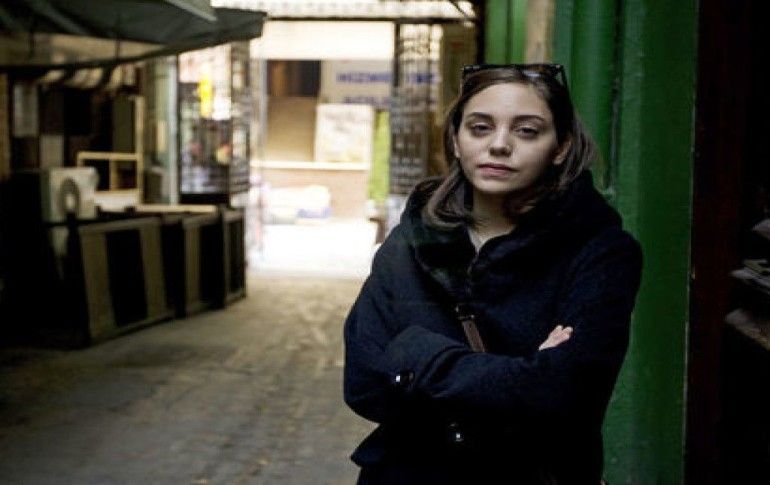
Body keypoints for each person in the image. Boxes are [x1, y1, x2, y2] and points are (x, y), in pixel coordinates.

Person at [343, 63, 643, 484]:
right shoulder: (410, 241)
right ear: (456, 139)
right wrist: (519, 372)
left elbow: (563, 392)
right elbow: (364, 384)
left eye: (527, 131)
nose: (499, 145)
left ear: (560, 146)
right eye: (480, 128)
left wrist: (415, 354)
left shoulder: (599, 251)